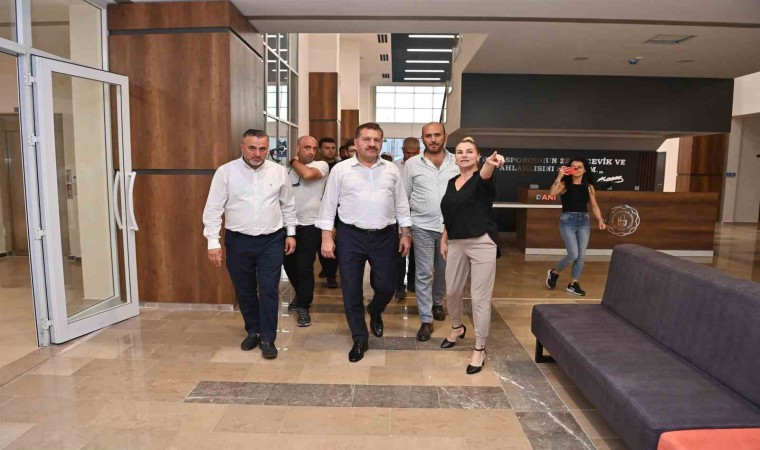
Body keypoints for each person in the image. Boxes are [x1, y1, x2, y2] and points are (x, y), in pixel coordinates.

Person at [318, 122, 412, 363]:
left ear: (381, 143)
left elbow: (401, 203)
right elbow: (329, 204)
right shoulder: (341, 170)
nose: (372, 144)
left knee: (388, 285)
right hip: (351, 236)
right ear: (356, 142)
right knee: (351, 288)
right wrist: (326, 237)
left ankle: (375, 309)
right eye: (367, 139)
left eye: (376, 140)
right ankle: (359, 337)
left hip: (385, 236)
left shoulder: (391, 170)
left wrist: (405, 232)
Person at [203, 129, 297, 359]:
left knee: (268, 289)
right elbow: (213, 208)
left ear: (268, 149)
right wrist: (213, 242)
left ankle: (268, 338)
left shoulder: (278, 171)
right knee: (244, 289)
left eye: (262, 149)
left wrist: (291, 233)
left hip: (271, 240)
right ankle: (253, 331)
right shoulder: (226, 172)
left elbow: (288, 204)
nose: (257, 153)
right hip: (238, 241)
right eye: (252, 148)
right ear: (242, 147)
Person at [439, 137, 504, 374]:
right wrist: (444, 238)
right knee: (452, 291)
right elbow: (451, 213)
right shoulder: (451, 182)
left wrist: (491, 163)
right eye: (459, 152)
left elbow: (486, 173)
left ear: (477, 156)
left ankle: (479, 348)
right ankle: (457, 327)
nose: (464, 155)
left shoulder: (482, 179)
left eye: (469, 151)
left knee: (479, 298)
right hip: (456, 242)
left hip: (482, 242)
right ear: (455, 158)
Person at [402, 125, 459, 341]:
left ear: (445, 136)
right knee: (423, 273)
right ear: (423, 139)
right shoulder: (412, 164)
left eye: (437, 135)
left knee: (443, 271)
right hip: (421, 226)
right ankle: (426, 319)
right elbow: (403, 197)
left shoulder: (457, 162)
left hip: (450, 228)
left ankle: (437, 303)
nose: (433, 139)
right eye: (428, 136)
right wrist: (404, 230)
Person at [283, 136, 329, 327]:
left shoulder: (321, 165)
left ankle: (304, 306)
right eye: (307, 148)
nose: (311, 152)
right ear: (298, 148)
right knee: (289, 266)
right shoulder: (284, 171)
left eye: (314, 148)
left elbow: (308, 175)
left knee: (304, 267)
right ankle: (300, 295)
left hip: (311, 225)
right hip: (287, 226)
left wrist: (293, 161)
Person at [545, 157, 606, 296]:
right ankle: (554, 272)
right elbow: (552, 194)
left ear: (585, 170)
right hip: (567, 220)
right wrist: (560, 176)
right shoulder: (564, 185)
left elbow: (594, 206)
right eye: (573, 167)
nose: (576, 169)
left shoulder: (589, 187)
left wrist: (600, 219)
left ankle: (574, 283)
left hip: (584, 221)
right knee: (573, 253)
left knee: (581, 256)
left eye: (579, 167)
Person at [394, 137, 421, 300]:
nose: (410, 156)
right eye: (407, 153)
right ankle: (399, 286)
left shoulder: (424, 165)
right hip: (399, 214)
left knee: (417, 252)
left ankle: (412, 283)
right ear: (402, 150)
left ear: (419, 151)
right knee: (400, 251)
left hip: (418, 214)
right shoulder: (394, 167)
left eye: (414, 153)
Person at [316, 137, 340, 288]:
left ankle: (331, 275)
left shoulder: (340, 166)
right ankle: (326, 269)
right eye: (327, 148)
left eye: (333, 148)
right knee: (321, 243)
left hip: (337, 210)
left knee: (334, 242)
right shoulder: (316, 166)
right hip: (318, 209)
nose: (330, 151)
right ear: (320, 149)